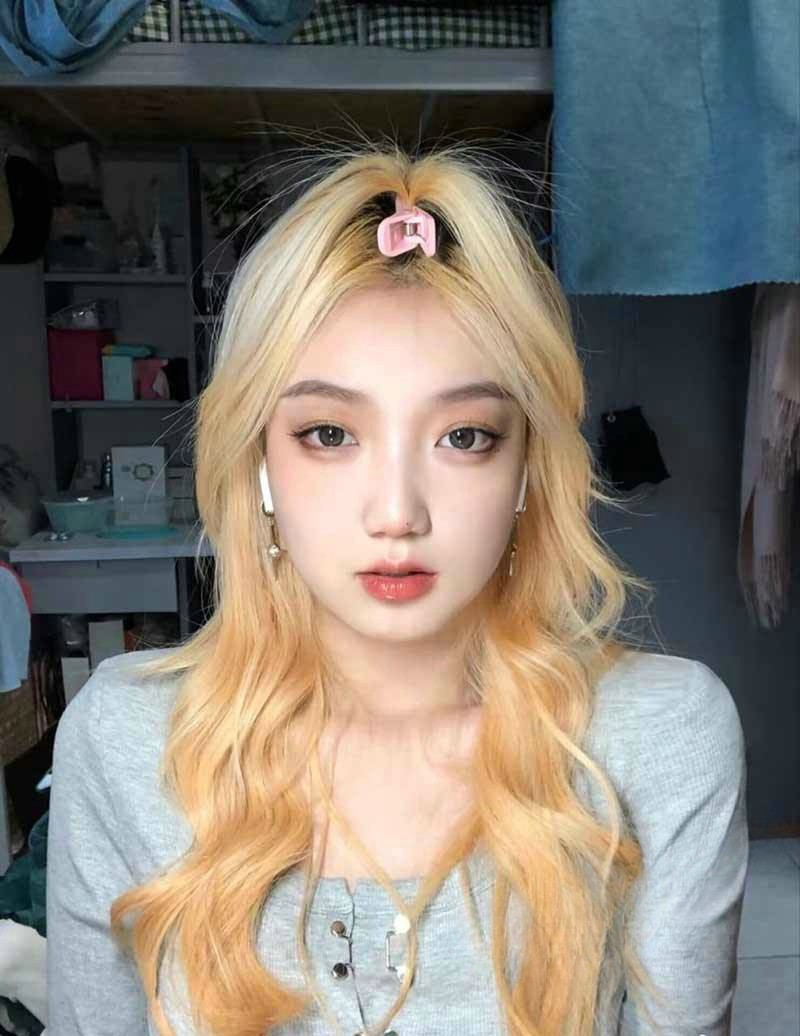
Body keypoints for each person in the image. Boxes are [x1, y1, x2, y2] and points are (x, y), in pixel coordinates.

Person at [45, 143, 749, 1036]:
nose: (397, 513)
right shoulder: (126, 738)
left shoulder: (659, 738)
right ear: (258, 460)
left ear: (527, 468)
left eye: (465, 437)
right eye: (330, 433)